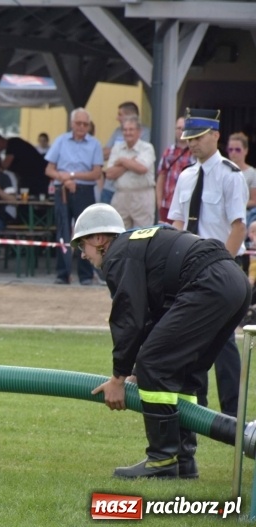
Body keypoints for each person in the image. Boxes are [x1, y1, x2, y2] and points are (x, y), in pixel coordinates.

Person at [76, 203, 250, 478]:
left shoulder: (118, 254)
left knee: (154, 365)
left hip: (209, 283)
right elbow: (152, 320)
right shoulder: (139, 245)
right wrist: (135, 371)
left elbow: (128, 317)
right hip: (234, 282)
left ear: (99, 240)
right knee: (184, 371)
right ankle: (183, 461)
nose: (82, 255)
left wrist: (119, 377)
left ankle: (162, 460)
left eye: (81, 245)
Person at [168, 108, 249, 418]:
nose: (192, 144)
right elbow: (176, 223)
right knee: (191, 339)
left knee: (223, 341)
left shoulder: (230, 175)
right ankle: (196, 410)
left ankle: (232, 415)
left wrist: (219, 266)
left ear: (215, 136)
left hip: (221, 266)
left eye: (198, 138)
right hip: (189, 267)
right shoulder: (186, 176)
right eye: (188, 138)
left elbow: (238, 227)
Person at [45, 107, 104, 285]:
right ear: (72, 124)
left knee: (86, 233)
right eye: (78, 123)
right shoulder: (61, 141)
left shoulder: (95, 144)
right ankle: (62, 274)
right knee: (62, 230)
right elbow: (48, 169)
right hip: (62, 189)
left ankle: (85, 275)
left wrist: (71, 176)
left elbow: (96, 173)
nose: (81, 127)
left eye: (85, 124)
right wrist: (64, 180)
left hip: (84, 191)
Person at [104, 118, 156, 229]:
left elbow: (142, 168)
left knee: (143, 234)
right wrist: (130, 163)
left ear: (139, 132)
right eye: (125, 130)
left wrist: (122, 161)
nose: (127, 133)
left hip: (142, 195)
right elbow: (109, 174)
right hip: (120, 195)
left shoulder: (147, 148)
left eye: (131, 129)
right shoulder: (117, 148)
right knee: (118, 232)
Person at [100, 102, 151, 205]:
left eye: (120, 114)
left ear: (130, 115)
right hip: (110, 188)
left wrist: (121, 160)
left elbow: (141, 162)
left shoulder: (144, 132)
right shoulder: (117, 131)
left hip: (133, 192)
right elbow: (103, 154)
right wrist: (129, 162)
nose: (117, 118)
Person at [155, 116, 194, 223]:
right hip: (167, 205)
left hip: (186, 205)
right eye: (178, 128)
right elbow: (161, 176)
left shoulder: (194, 152)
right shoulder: (168, 151)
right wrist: (159, 202)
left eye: (183, 129)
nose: (180, 131)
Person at [0, 133, 49, 198]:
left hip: (37, 176)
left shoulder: (13, 143)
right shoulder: (12, 145)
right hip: (30, 177)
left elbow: (5, 166)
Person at [228, 133, 256, 228]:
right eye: (230, 150)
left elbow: (254, 200)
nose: (233, 153)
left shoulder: (252, 173)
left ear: (246, 151)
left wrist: (236, 205)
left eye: (237, 150)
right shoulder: (222, 171)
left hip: (244, 216)